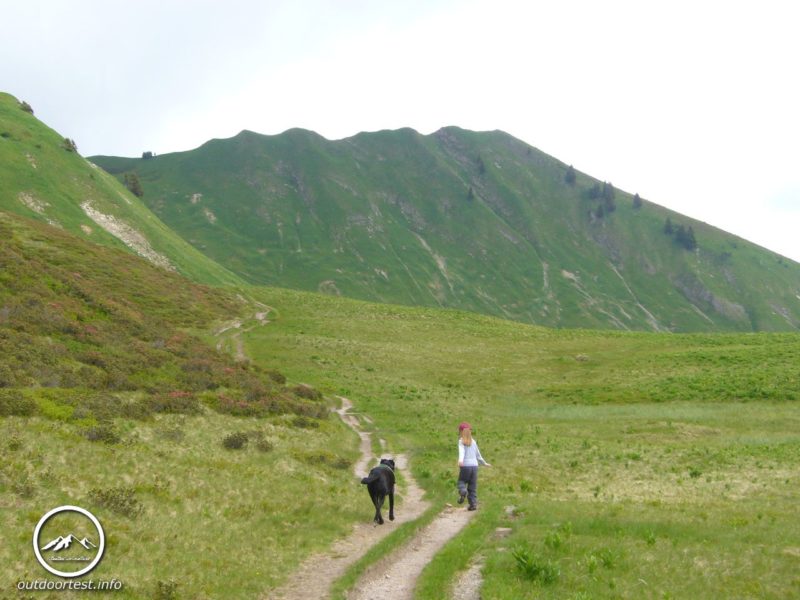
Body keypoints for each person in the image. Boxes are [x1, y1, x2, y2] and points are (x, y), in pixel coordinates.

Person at [456, 421, 490, 511]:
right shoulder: (473, 442)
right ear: (470, 431)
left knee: (461, 481)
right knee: (472, 486)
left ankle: (463, 491)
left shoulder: (461, 441)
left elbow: (462, 451)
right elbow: (478, 455)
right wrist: (484, 463)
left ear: (461, 431)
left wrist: (460, 460)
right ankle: (473, 505)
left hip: (465, 466)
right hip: (475, 466)